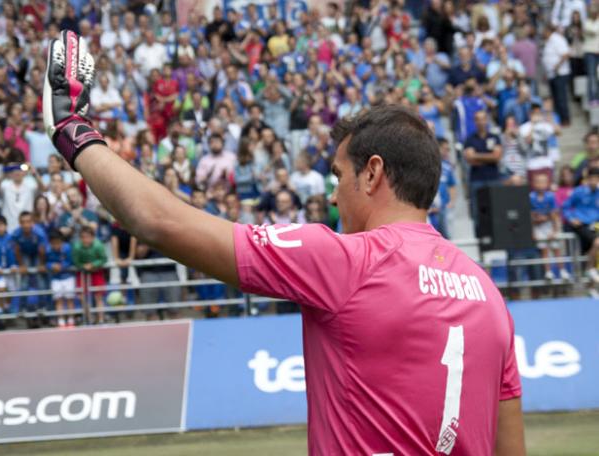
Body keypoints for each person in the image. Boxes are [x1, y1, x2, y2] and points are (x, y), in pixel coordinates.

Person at [43, 32, 525, 454]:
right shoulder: (489, 296)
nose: (333, 194)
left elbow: (157, 221)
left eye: (339, 176)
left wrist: (72, 130)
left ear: (373, 173)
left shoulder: (347, 260)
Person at [530, 173, 570, 281]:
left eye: (543, 182)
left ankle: (562, 271)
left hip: (550, 225)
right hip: (537, 227)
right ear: (533, 184)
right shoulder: (530, 197)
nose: (540, 184)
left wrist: (554, 230)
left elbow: (554, 214)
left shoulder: (551, 196)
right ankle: (548, 272)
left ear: (547, 184)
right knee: (544, 250)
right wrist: (533, 231)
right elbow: (530, 215)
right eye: (538, 182)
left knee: (556, 249)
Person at [72, 225, 107, 324]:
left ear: (92, 237)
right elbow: (76, 261)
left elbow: (103, 259)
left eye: (88, 237)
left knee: (98, 296)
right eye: (83, 237)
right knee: (82, 296)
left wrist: (93, 265)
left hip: (97, 272)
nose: (85, 239)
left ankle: (100, 319)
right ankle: (88, 318)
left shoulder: (98, 245)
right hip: (82, 273)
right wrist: (84, 266)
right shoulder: (76, 247)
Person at [46, 230, 76, 328]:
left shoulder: (67, 248)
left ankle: (71, 320)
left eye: (58, 243)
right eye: (53, 243)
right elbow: (46, 263)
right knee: (58, 300)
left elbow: (71, 261)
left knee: (69, 299)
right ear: (50, 243)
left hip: (68, 277)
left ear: (61, 241)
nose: (56, 246)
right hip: (56, 279)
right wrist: (52, 266)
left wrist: (62, 266)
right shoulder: (48, 250)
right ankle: (61, 320)